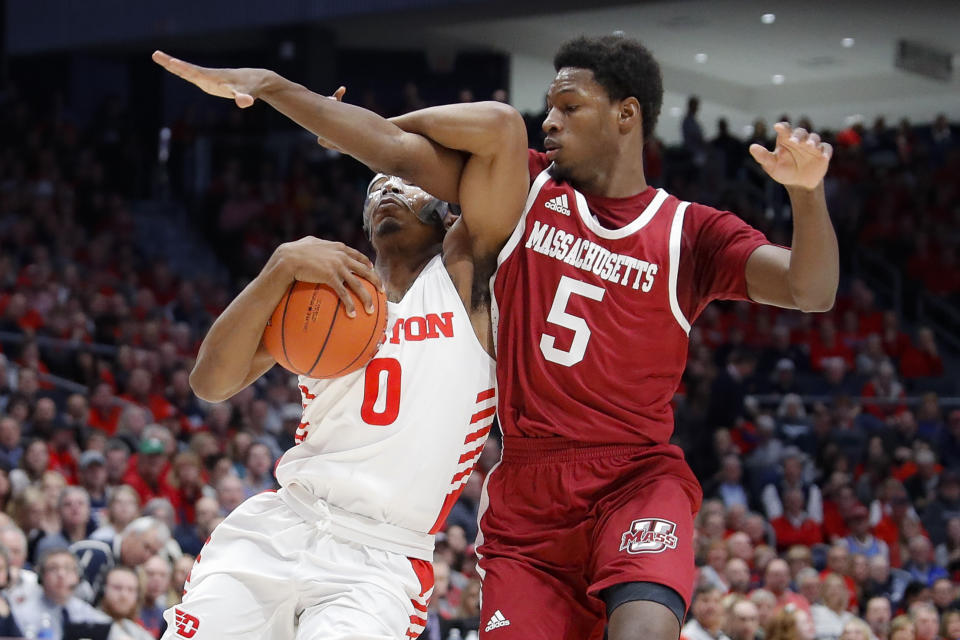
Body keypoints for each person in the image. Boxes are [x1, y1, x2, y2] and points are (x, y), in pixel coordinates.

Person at [163, 29, 839, 639]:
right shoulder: (501, 210)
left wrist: (806, 195)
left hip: (628, 473)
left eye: (567, 108)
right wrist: (323, 129)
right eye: (547, 107)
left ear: (626, 115)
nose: (548, 121)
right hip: (520, 487)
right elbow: (398, 153)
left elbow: (811, 290)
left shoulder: (673, 232)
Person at [150, 46, 525, 639]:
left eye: (404, 181)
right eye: (376, 186)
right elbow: (210, 383)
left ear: (448, 213)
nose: (387, 192)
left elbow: (503, 130)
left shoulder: (467, 276)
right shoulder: (321, 291)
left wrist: (359, 129)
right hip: (281, 524)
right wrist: (279, 266)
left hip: (380, 558)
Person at [11, 548, 113, 640]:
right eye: (53, 568)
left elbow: (107, 625)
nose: (61, 575)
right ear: (41, 576)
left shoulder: (88, 614)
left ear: (78, 576)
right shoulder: (21, 614)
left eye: (68, 568)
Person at [99, 566, 154, 640]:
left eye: (130, 590)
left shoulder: (138, 632)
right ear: (103, 590)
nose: (124, 595)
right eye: (117, 588)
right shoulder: (89, 625)